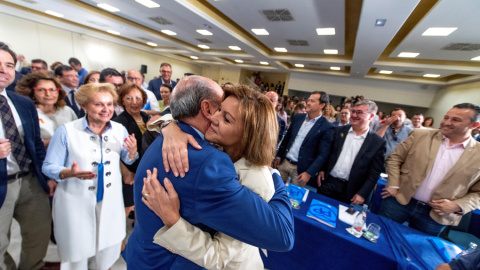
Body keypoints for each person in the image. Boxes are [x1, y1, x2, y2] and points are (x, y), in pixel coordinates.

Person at [124, 76, 294, 269]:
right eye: (219, 109)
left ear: (248, 134)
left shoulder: (218, 161)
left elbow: (283, 236)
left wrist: (275, 176)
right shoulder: (205, 157)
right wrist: (168, 126)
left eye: (226, 117)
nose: (213, 117)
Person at [42, 82, 138, 269]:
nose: (106, 109)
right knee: (76, 252)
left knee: (107, 249)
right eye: (99, 104)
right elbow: (48, 166)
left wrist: (133, 152)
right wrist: (68, 172)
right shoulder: (67, 131)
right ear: (84, 105)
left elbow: (128, 158)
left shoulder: (119, 130)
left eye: (110, 104)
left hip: (110, 200)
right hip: (75, 199)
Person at [380, 103, 480, 236]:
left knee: (416, 251)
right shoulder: (420, 135)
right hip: (399, 200)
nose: (446, 122)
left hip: (436, 215)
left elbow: (478, 193)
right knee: (379, 235)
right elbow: (394, 158)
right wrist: (393, 183)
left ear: (474, 126)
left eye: (455, 120)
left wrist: (458, 206)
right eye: (446, 117)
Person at [0, 42, 52, 270]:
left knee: (38, 237)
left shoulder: (22, 103)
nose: (4, 70)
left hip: (30, 180)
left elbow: (36, 146)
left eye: (9, 65)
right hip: (2, 183)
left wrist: (47, 176)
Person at [317, 100, 385, 204]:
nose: (354, 115)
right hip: (327, 183)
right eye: (353, 111)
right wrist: (322, 169)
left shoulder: (377, 143)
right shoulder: (338, 131)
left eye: (359, 112)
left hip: (350, 190)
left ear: (371, 116)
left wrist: (363, 193)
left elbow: (374, 173)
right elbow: (327, 153)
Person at [274, 91, 334, 188]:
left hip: (301, 170)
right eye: (308, 100)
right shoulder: (298, 117)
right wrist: (279, 156)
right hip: (284, 162)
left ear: (322, 105)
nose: (308, 103)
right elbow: (287, 138)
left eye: (312, 101)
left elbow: (323, 155)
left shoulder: (326, 126)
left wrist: (309, 172)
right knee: (274, 190)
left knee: (294, 199)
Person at [112, 82, 149, 218]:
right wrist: (126, 173)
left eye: (138, 98)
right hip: (130, 171)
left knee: (143, 206)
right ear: (122, 100)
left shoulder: (146, 118)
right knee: (127, 207)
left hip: (145, 169)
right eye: (129, 98)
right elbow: (114, 151)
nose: (134, 102)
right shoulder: (119, 122)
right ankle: (119, 238)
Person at [15, 72, 77, 149]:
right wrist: (44, 143)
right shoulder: (26, 114)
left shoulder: (67, 111)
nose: (48, 94)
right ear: (31, 92)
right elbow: (19, 144)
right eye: (41, 90)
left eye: (52, 90)